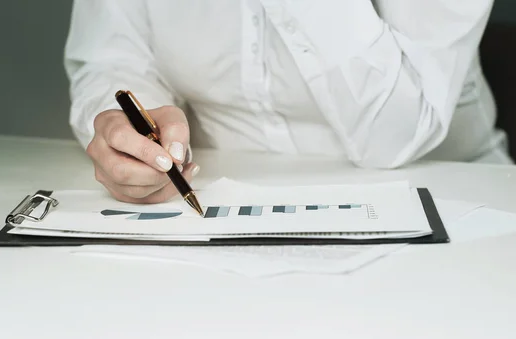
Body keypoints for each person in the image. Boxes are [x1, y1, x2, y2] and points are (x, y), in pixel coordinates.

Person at [64, 0, 512, 204]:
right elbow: (111, 60)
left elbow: (394, 135)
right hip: (229, 203)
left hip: (449, 203)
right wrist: (126, 129)